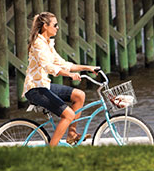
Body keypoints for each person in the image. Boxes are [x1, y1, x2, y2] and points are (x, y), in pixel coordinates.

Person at [22, 12, 99, 146]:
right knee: (68, 115)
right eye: (55, 25)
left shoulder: (48, 44)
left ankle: (72, 134)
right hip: (34, 89)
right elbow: (48, 67)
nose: (57, 28)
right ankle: (51, 152)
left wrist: (88, 68)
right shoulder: (38, 44)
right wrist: (68, 75)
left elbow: (63, 64)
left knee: (79, 95)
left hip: (44, 85)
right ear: (45, 26)